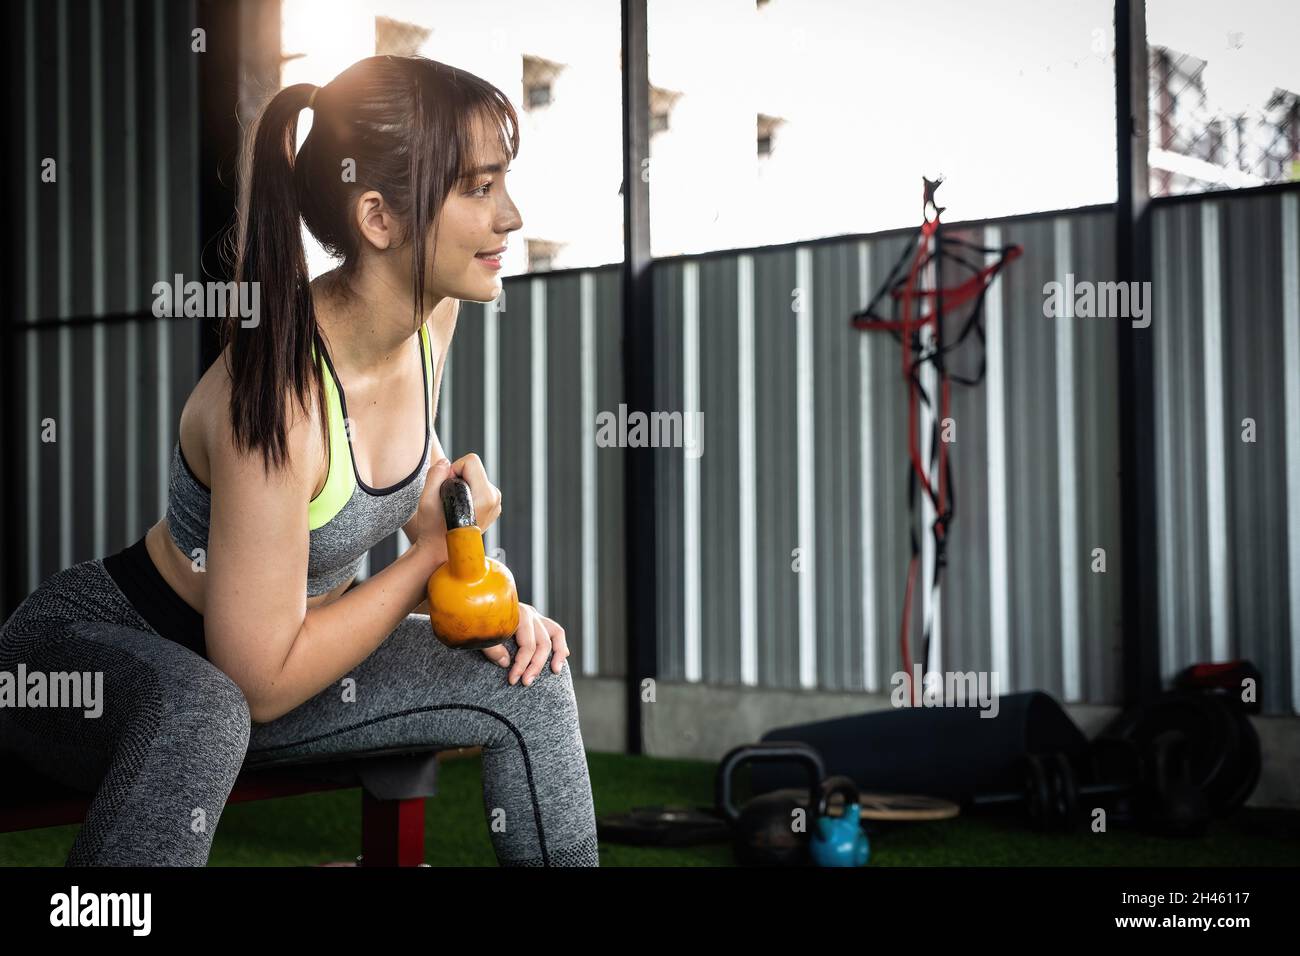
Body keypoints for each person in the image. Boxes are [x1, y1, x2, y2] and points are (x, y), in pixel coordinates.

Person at [0, 55, 599, 867]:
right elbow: (258, 678)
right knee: (203, 710)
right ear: (379, 218)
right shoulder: (278, 397)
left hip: (281, 666)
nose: (511, 216)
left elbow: (377, 497)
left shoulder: (434, 320)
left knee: (532, 674)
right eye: (479, 188)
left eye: (504, 183)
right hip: (97, 653)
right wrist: (426, 557)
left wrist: (476, 598)